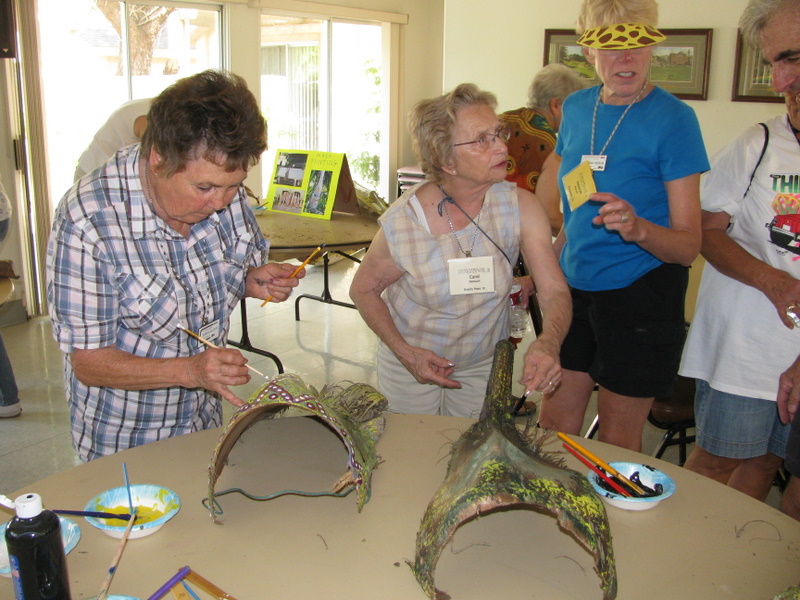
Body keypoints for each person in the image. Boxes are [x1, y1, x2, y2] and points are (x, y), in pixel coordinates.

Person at [47, 70, 304, 461]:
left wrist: (251, 281)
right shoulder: (89, 221)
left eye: (234, 186)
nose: (220, 203)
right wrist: (190, 371)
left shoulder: (222, 187)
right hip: (125, 437)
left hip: (201, 420)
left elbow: (219, 273)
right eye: (204, 188)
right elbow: (90, 362)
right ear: (159, 159)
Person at [536, 0, 709, 451]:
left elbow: (688, 246)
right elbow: (577, 209)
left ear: (652, 48)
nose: (625, 58)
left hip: (642, 292)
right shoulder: (576, 108)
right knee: (551, 425)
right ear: (589, 52)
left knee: (615, 440)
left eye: (637, 44)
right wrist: (545, 267)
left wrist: (638, 228)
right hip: (576, 287)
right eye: (611, 47)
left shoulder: (674, 119)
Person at [349, 83, 572, 418]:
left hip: (482, 360)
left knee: (468, 442)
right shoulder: (405, 221)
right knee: (411, 443)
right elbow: (363, 289)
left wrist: (548, 342)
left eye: (499, 133)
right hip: (411, 359)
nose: (501, 147)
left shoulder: (519, 207)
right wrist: (404, 351)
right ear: (446, 161)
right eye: (482, 139)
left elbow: (553, 289)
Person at [680, 0, 800, 506]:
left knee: (768, 463)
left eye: (791, 58)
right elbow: (703, 232)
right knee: (715, 462)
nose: (779, 82)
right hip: (746, 347)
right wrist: (775, 282)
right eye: (773, 63)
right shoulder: (760, 143)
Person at [500, 63, 590, 235]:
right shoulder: (550, 145)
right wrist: (586, 234)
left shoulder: (501, 120)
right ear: (556, 105)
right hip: (512, 239)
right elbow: (549, 217)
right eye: (576, 109)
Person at [73, 97, 151, 182]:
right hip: (93, 171)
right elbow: (150, 155)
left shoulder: (145, 105)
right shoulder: (145, 115)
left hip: (103, 169)